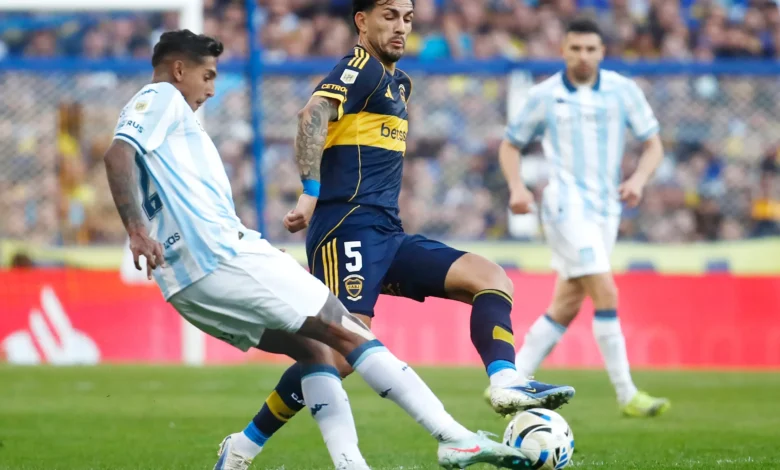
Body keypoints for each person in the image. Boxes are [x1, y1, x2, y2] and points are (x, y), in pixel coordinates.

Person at [104, 29, 532, 470]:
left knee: (315, 352)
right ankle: (454, 437)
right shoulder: (161, 98)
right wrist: (136, 230)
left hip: (184, 284)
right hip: (223, 254)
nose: (211, 89)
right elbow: (117, 155)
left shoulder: (169, 124)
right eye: (207, 76)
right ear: (179, 70)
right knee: (351, 334)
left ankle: (296, 458)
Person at [236, 0, 575, 460]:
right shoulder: (361, 69)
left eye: (408, 18)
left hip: (387, 232)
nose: (401, 27)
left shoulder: (399, 83)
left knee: (489, 278)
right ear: (362, 21)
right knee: (339, 354)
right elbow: (312, 114)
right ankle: (244, 444)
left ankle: (505, 382)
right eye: (389, 16)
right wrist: (310, 192)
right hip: (346, 228)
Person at [498, 18, 670, 418]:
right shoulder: (544, 95)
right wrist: (517, 188)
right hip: (564, 205)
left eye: (591, 49)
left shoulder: (623, 91)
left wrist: (638, 180)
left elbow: (654, 145)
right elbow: (510, 145)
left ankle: (509, 381)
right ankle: (627, 394)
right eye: (575, 48)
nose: (583, 56)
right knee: (606, 292)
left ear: (602, 52)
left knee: (568, 302)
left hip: (606, 209)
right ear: (563, 51)